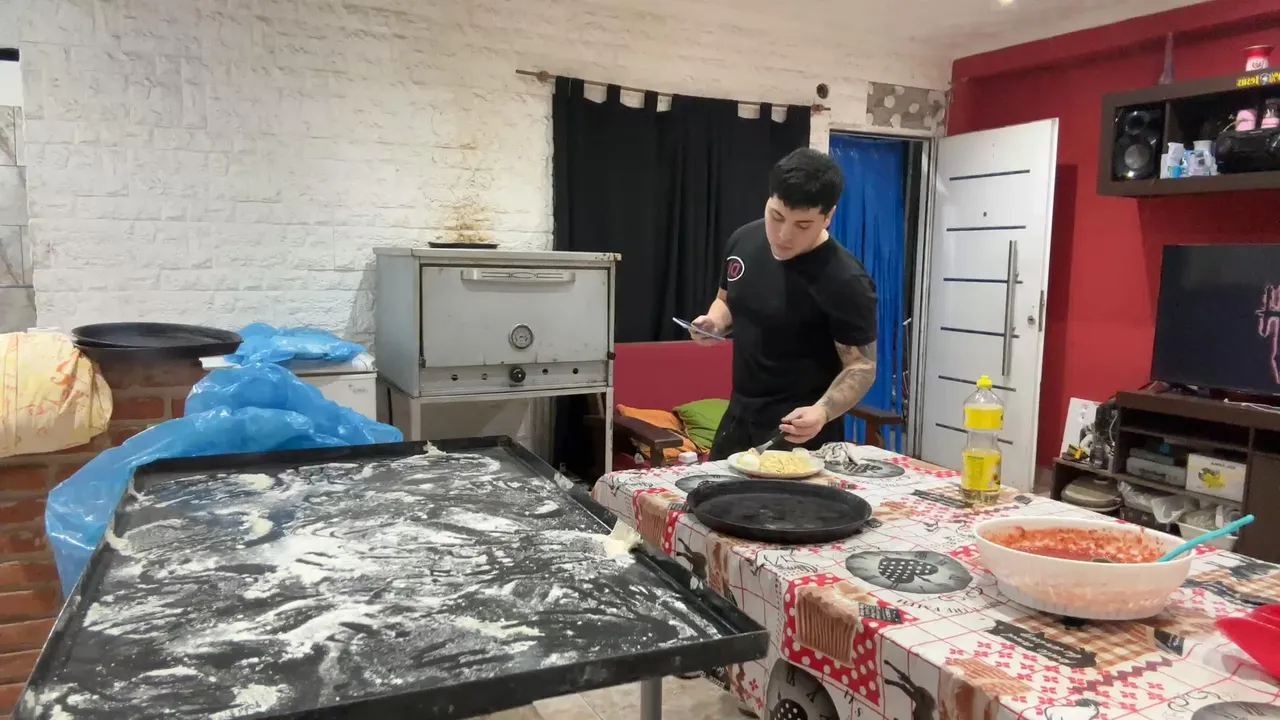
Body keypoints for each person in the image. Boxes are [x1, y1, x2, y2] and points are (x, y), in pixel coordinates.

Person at [690, 147, 878, 460]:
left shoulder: (846, 281)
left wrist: (821, 412)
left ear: (828, 217)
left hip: (799, 432)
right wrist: (714, 322)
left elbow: (862, 365)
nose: (783, 235)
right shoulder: (743, 241)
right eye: (776, 216)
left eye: (802, 225)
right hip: (737, 418)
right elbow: (727, 299)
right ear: (769, 199)